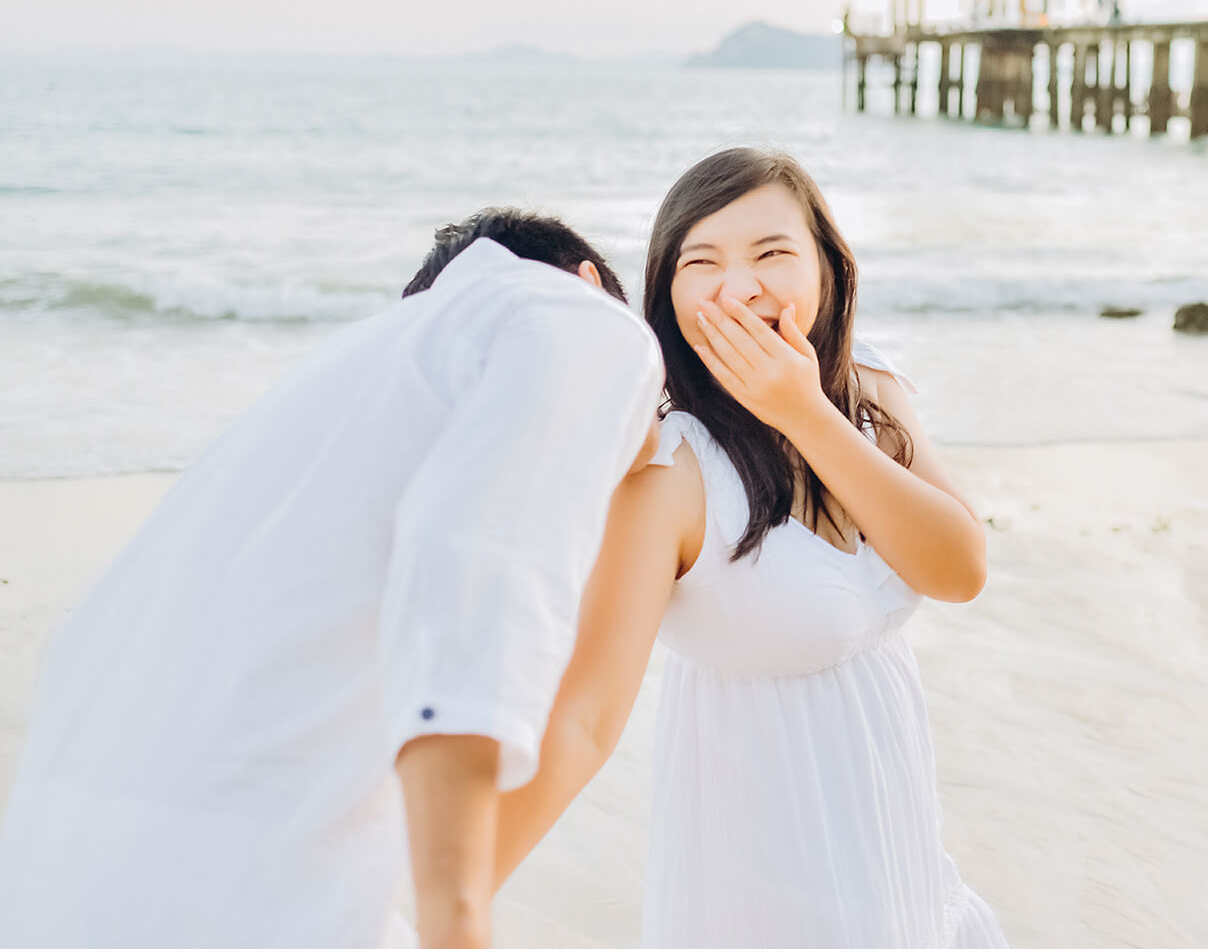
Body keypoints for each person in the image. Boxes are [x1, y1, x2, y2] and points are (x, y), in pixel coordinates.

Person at [0, 209, 665, 949]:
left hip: (51, 882)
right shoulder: (578, 317)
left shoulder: (325, 390)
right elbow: (480, 569)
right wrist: (458, 915)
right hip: (251, 892)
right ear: (590, 280)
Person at [490, 147, 1006, 948]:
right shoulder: (670, 472)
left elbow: (959, 568)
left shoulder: (869, 391)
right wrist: (449, 896)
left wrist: (806, 414)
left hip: (896, 844)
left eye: (772, 254)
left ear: (827, 270)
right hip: (768, 873)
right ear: (667, 291)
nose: (740, 288)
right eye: (703, 263)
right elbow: (586, 719)